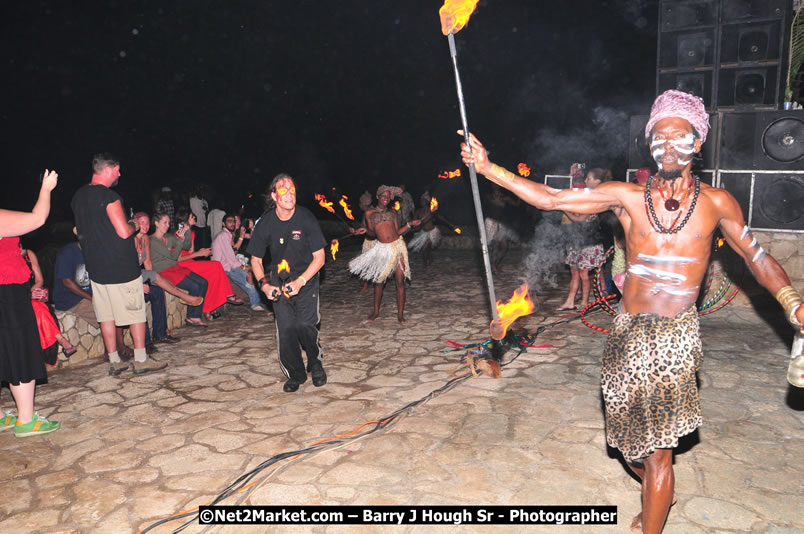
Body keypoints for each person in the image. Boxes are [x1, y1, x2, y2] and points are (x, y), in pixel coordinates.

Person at [459, 89, 804, 534]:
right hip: (626, 333)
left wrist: (792, 302)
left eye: (679, 136)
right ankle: (658, 492)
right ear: (650, 144)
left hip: (675, 337)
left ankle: (655, 508)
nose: (668, 145)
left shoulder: (718, 203)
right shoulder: (627, 197)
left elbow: (757, 257)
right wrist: (489, 168)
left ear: (698, 142)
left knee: (659, 453)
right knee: (627, 444)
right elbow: (552, 199)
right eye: (659, 136)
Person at [71, 153, 166, 376]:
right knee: (135, 312)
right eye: (117, 170)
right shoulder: (109, 196)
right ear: (107, 170)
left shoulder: (78, 197)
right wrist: (134, 224)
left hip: (96, 267)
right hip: (121, 266)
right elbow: (123, 232)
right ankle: (141, 360)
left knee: (106, 315)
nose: (119, 174)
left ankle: (114, 361)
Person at [247, 173, 328, 393]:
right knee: (287, 330)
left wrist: (301, 281)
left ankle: (315, 362)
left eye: (292, 190)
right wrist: (264, 285)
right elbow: (255, 260)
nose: (289, 194)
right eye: (283, 190)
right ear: (274, 196)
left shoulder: (306, 217)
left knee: (305, 324)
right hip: (278, 281)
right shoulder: (265, 223)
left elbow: (320, 257)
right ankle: (296, 373)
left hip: (306, 277)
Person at [0, 169, 61, 437]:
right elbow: (37, 219)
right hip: (7, 294)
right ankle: (26, 420)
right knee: (20, 350)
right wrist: (46, 188)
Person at [349, 185, 420, 323]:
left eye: (388, 196)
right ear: (378, 197)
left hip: (397, 246)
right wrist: (365, 231)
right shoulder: (369, 213)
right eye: (383, 196)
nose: (386, 198)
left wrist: (410, 224)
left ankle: (400, 315)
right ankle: (376, 312)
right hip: (382, 249)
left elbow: (397, 232)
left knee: (400, 282)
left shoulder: (393, 213)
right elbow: (372, 233)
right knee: (379, 282)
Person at [556, 168, 612, 311]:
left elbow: (579, 219)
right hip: (577, 241)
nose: (586, 181)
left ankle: (585, 302)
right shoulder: (588, 195)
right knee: (574, 273)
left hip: (589, 242)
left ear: (598, 181)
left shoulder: (597, 199)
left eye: (589, 178)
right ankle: (570, 301)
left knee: (584, 274)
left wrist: (564, 208)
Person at [149, 211, 210, 327]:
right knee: (194, 286)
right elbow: (173, 257)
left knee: (203, 282)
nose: (167, 225)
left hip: (175, 268)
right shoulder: (152, 240)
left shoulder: (168, 237)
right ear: (156, 223)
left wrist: (187, 231)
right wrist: (180, 241)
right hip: (163, 272)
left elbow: (186, 246)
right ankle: (193, 316)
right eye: (165, 222)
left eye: (168, 223)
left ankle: (194, 316)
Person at [21, 244, 78, 360]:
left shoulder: (27, 254)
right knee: (37, 307)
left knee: (38, 305)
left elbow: (39, 280)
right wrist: (26, 296)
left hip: (31, 294)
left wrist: (31, 292)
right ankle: (61, 340)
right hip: (12, 300)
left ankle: (57, 344)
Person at [212, 213, 264, 311]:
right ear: (223, 224)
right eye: (229, 221)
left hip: (229, 264)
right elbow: (230, 257)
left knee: (250, 272)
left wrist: (251, 227)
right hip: (224, 267)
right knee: (248, 274)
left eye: (234, 221)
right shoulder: (224, 236)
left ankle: (256, 300)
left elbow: (253, 238)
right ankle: (255, 303)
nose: (233, 223)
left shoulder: (229, 234)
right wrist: (244, 267)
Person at [483, 184, 520, 273]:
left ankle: (495, 265)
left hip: (502, 222)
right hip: (491, 222)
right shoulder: (489, 197)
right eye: (494, 186)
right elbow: (487, 202)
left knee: (504, 246)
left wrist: (519, 195)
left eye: (497, 186)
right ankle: (492, 267)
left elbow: (516, 204)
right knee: (495, 245)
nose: (496, 187)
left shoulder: (504, 198)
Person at [407, 191, 441, 268]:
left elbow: (441, 218)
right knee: (426, 249)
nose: (421, 202)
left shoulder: (431, 211)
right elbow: (414, 222)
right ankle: (429, 260)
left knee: (426, 248)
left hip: (432, 232)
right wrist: (414, 227)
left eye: (423, 200)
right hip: (423, 233)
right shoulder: (418, 211)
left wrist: (452, 226)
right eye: (421, 200)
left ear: (427, 201)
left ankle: (426, 265)